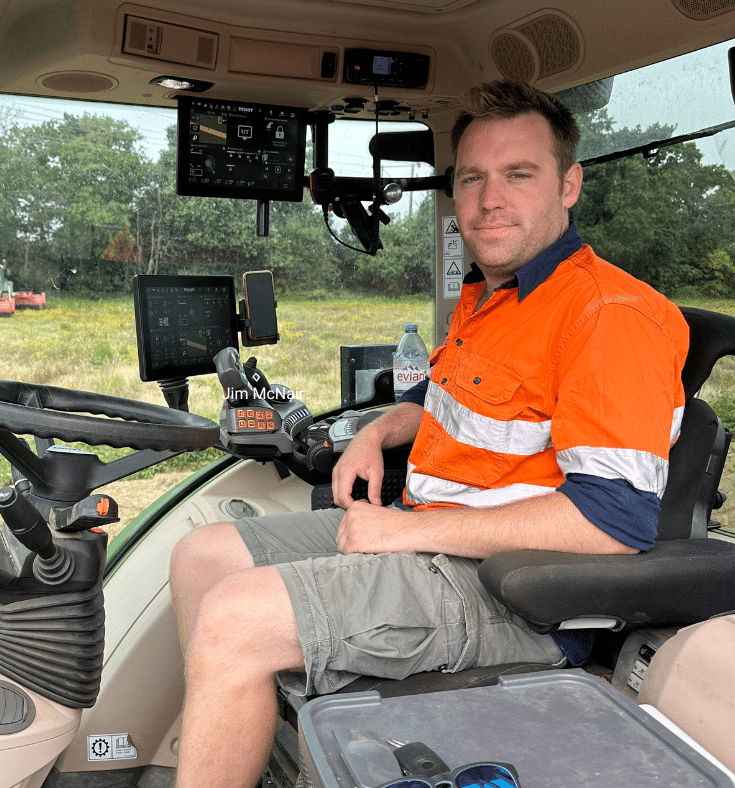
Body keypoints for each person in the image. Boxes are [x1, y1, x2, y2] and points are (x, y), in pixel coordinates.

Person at [168, 80, 689, 788]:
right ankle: (235, 742)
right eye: (472, 178)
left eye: (518, 175)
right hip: (430, 533)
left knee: (235, 618)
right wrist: (376, 431)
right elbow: (438, 395)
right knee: (203, 556)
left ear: (570, 185)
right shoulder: (492, 295)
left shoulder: (610, 315)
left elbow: (612, 523)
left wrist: (400, 533)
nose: (487, 199)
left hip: (517, 594)